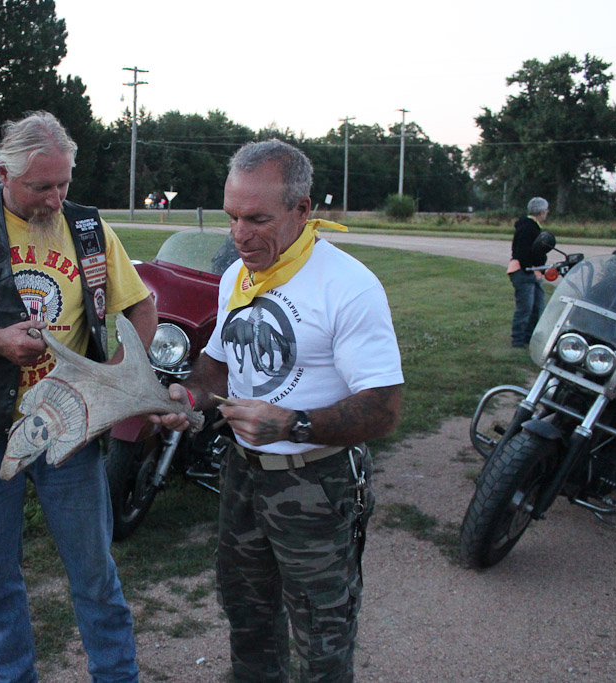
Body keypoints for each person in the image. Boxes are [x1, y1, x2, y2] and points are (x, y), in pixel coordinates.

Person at [0, 111, 156, 683]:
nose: (55, 199)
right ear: (3, 174)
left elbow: (140, 305)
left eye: (64, 183)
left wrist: (113, 375)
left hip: (70, 430)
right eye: (42, 186)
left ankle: (117, 677)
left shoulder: (88, 229)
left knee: (94, 574)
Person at [152, 139, 404, 682]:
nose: (240, 235)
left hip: (317, 481)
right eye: (233, 217)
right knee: (246, 615)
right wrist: (188, 397)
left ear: (303, 210)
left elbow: (384, 408)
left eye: (258, 219)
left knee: (321, 632)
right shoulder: (236, 278)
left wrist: (292, 423)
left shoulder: (348, 286)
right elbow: (217, 365)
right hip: (242, 474)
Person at [508, 197, 550, 347]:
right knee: (525, 308)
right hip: (524, 272)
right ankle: (518, 340)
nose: (547, 213)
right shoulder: (527, 228)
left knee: (537, 306)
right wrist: (530, 269)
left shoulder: (533, 226)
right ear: (541, 211)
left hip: (533, 272)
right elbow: (522, 253)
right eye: (546, 210)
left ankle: (529, 337)